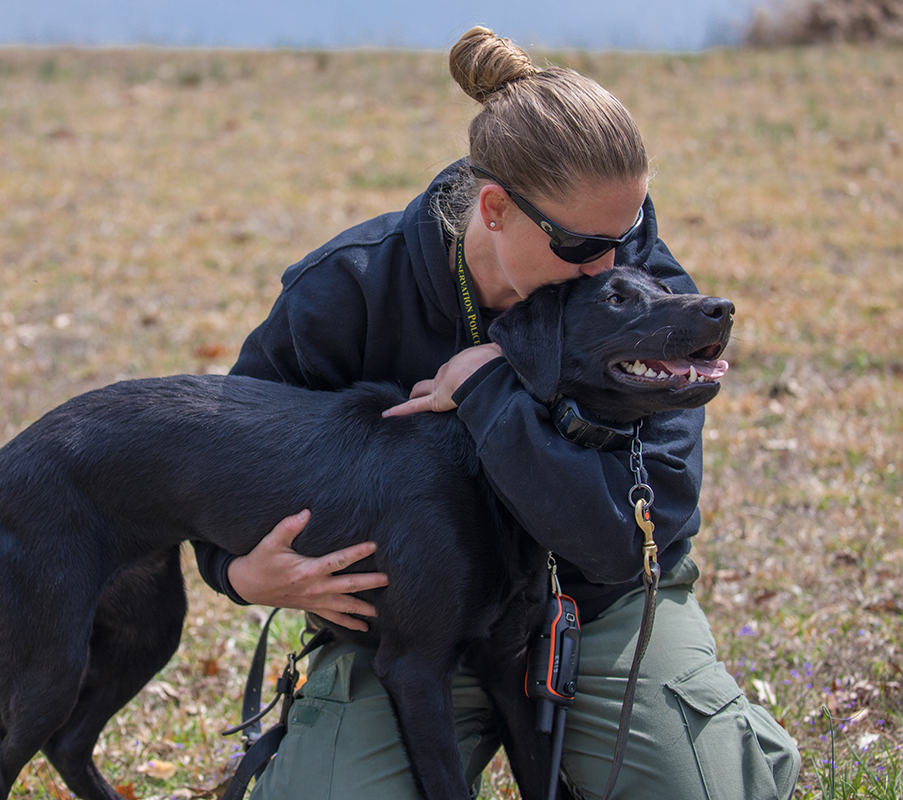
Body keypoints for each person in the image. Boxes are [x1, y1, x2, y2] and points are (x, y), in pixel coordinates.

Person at [192, 26, 801, 800]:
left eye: (633, 230)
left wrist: (490, 390)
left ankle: (721, 742)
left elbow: (642, 531)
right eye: (585, 245)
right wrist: (237, 574)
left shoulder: (648, 296)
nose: (615, 267)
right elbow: (221, 453)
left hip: (601, 611)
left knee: (703, 792)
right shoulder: (346, 293)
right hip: (410, 627)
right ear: (495, 209)